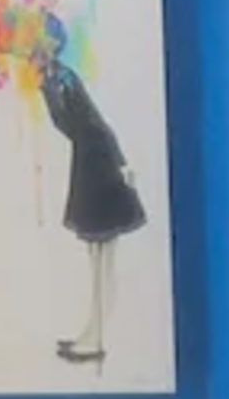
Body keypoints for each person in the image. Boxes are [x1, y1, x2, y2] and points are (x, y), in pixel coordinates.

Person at [43, 41, 149, 365]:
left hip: (98, 167)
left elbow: (86, 124)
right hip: (92, 163)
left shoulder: (61, 79)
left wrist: (120, 163)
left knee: (102, 260)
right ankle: (91, 335)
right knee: (98, 258)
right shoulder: (55, 79)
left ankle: (94, 340)